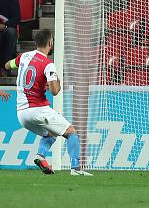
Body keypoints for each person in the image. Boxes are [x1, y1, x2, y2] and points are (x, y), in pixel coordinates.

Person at [4, 30, 92, 176]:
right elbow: (55, 91)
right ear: (50, 43)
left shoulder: (24, 56)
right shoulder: (48, 64)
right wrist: (57, 81)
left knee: (51, 133)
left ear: (35, 43)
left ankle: (40, 156)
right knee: (71, 133)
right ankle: (76, 169)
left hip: (21, 114)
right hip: (38, 109)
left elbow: (7, 65)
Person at [0, 0, 19, 77]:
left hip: (6, 29)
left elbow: (16, 18)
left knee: (11, 32)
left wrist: (5, 25)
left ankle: (4, 67)